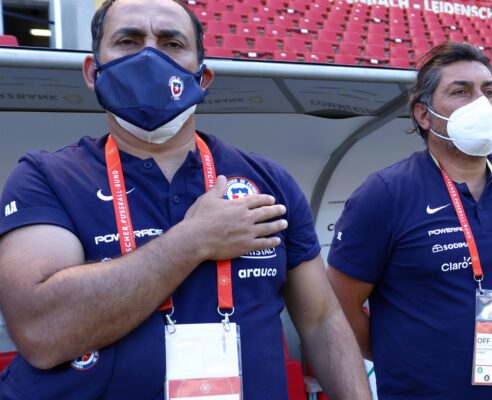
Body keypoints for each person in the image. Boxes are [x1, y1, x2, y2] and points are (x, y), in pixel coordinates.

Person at [0, 0, 371, 398]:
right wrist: (192, 240)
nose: (149, 56)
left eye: (171, 42)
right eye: (128, 40)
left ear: (203, 77)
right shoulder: (45, 176)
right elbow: (42, 332)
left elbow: (320, 319)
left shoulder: (268, 180)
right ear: (94, 72)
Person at [325, 42, 492, 399]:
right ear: (423, 115)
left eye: (490, 91)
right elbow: (339, 306)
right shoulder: (385, 193)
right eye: (460, 91)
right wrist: (399, 353)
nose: (481, 103)